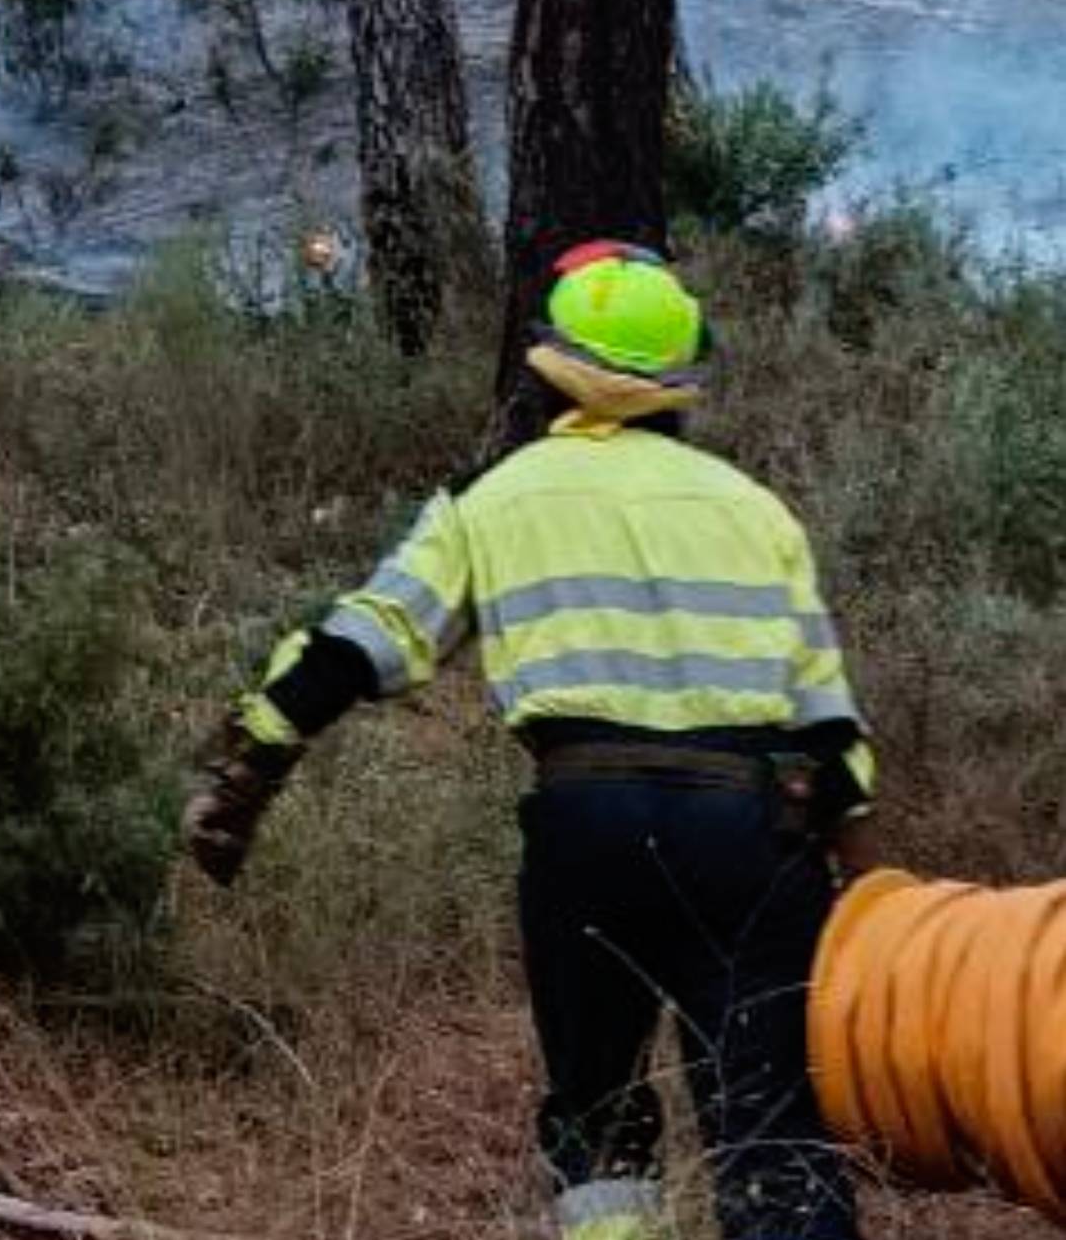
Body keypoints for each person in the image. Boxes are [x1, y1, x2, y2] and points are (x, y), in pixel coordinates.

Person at [185, 241, 877, 1240]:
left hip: (586, 827)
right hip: (753, 840)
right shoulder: (757, 510)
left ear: (551, 365)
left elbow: (358, 641)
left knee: (599, 1114)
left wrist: (248, 770)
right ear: (681, 380)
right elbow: (834, 734)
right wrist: (879, 896)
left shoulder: (494, 495)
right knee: (770, 1132)